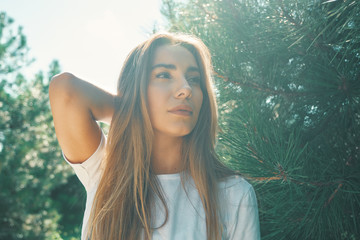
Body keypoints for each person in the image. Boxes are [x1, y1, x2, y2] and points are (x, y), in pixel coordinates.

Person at [49, 32, 260, 240]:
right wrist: (134, 109)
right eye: (164, 75)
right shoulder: (106, 174)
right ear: (137, 88)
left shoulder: (232, 193)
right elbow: (66, 90)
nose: (186, 89)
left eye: (194, 79)